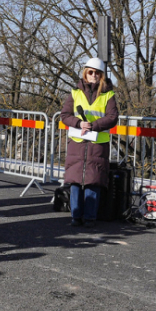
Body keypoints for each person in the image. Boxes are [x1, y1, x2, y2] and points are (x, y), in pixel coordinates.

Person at [62, 57, 119, 226]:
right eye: (90, 72)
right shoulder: (75, 93)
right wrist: (79, 123)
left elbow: (112, 117)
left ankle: (90, 217)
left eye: (97, 73)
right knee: (75, 181)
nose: (93, 75)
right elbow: (65, 115)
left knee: (93, 181)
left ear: (102, 75)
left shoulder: (108, 95)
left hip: (97, 144)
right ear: (85, 73)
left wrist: (93, 125)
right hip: (77, 144)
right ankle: (75, 216)